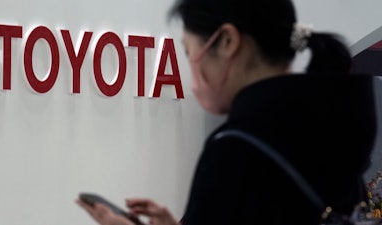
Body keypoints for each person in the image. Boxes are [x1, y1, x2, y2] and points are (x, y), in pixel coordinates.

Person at [77, 0, 378, 224]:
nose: (192, 63)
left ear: (227, 42)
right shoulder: (336, 127)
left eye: (189, 50)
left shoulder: (236, 149)